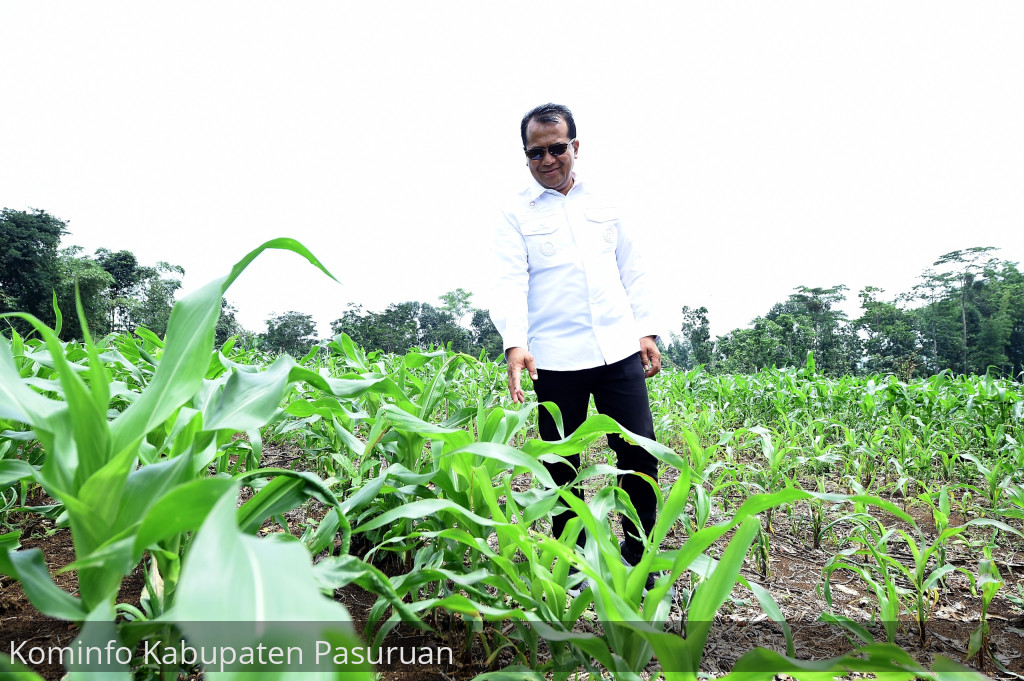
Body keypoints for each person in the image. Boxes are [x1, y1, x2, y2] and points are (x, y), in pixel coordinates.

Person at [488, 103, 666, 594]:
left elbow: (635, 267)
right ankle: (572, 566)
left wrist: (645, 330)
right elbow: (507, 282)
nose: (547, 159)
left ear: (575, 147)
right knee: (559, 466)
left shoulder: (607, 201)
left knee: (638, 458)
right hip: (554, 359)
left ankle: (639, 558)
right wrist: (515, 344)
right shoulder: (514, 212)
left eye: (556, 148)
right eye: (535, 152)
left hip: (617, 351)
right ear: (525, 156)